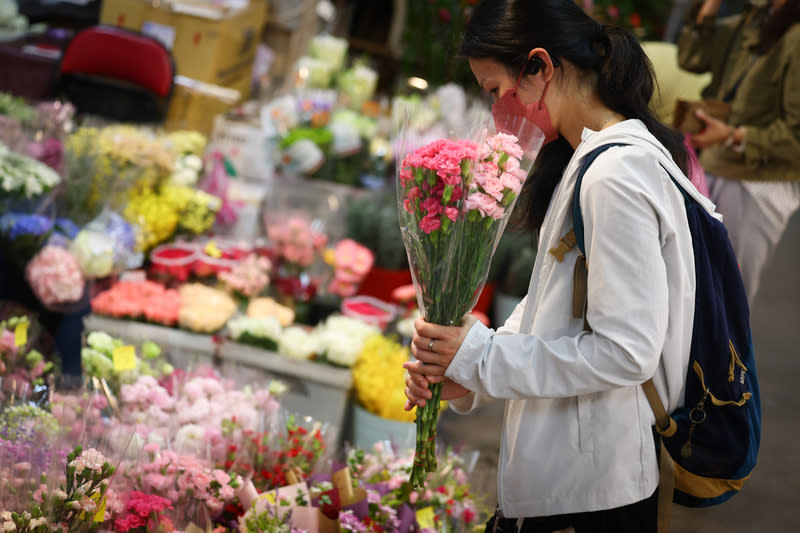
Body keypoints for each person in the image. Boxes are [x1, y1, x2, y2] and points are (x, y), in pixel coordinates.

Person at [402, 1, 719, 532]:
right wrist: (472, 371)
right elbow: (560, 304)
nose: (498, 115)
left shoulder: (614, 174)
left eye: (495, 90)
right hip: (578, 479)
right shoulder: (596, 157)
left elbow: (626, 351)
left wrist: (482, 358)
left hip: (590, 494)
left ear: (540, 67)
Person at [677, 0, 800, 303]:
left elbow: (796, 137)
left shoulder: (794, 35)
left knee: (722, 301)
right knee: (686, 291)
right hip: (715, 167)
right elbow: (692, 56)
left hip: (757, 186)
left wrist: (733, 136)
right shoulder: (757, 17)